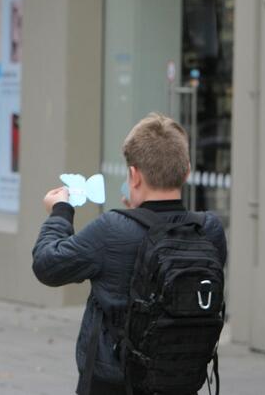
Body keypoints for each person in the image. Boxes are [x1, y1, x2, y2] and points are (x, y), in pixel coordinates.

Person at [32, 113, 227, 395]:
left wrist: (60, 211)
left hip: (115, 382)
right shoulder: (209, 229)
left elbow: (47, 264)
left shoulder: (112, 229)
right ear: (186, 172)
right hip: (181, 379)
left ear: (134, 176)